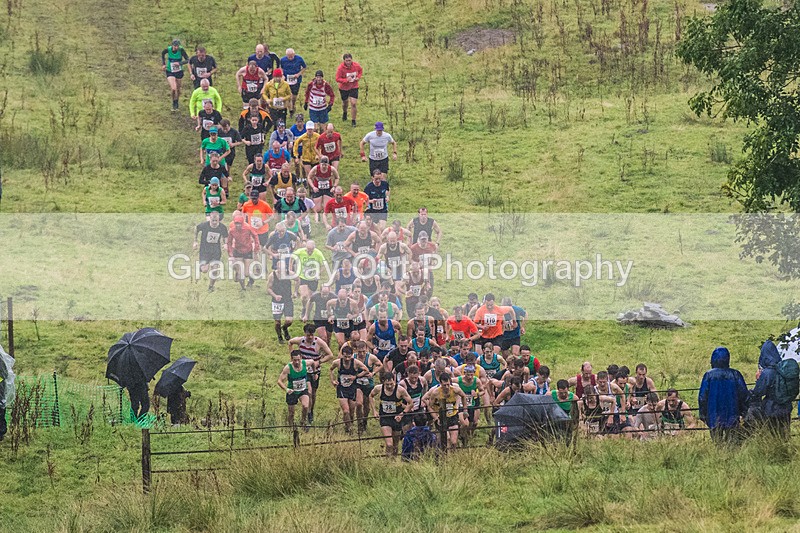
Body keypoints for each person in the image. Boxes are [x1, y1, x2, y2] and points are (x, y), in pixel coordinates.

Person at [748, 340, 799, 437]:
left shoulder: (768, 373)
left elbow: (758, 392)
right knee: (784, 436)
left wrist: (758, 380)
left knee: (772, 437)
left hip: (771, 410)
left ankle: (775, 451)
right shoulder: (783, 370)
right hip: (786, 409)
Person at [698, 346, 749, 444]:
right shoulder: (735, 374)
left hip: (713, 413)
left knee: (717, 442)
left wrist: (703, 413)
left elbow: (702, 396)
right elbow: (743, 394)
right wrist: (744, 411)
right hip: (732, 412)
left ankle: (719, 457)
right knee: (733, 442)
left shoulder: (708, 375)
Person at [288, 324, 334, 423]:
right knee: (308, 391)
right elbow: (290, 342)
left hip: (315, 370)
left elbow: (330, 355)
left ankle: (311, 410)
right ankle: (308, 413)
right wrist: (292, 356)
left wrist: (319, 362)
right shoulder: (301, 340)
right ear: (305, 334)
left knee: (313, 393)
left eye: (312, 335)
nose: (310, 337)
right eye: (308, 335)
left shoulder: (319, 342)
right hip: (303, 370)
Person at [371, 371, 413, 456]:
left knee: (395, 444)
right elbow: (371, 396)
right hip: (385, 417)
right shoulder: (378, 388)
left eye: (391, 384)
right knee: (389, 444)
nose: (389, 386)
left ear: (394, 381)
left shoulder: (400, 390)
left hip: (396, 418)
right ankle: (387, 462)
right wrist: (374, 411)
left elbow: (411, 403)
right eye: (387, 384)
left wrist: (402, 414)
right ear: (383, 382)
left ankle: (393, 462)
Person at [330, 345, 370, 433]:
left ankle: (349, 425)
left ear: (352, 355)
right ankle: (349, 429)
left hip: (352, 388)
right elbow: (331, 369)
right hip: (341, 388)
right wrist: (333, 380)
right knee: (346, 411)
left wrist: (356, 376)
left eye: (349, 357)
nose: (347, 359)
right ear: (342, 355)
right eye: (345, 357)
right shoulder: (338, 362)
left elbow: (366, 370)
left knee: (352, 411)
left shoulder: (355, 362)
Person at [423, 372, 467, 449]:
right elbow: (430, 406)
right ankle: (445, 457)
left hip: (452, 415)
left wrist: (465, 409)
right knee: (447, 440)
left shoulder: (455, 389)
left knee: (454, 441)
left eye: (448, 384)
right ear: (440, 383)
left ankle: (453, 456)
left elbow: (463, 396)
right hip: (441, 417)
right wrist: (436, 417)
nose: (447, 387)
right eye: (444, 385)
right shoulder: (435, 392)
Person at [277, 350, 316, 429]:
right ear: (291, 359)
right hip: (292, 391)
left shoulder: (305, 363)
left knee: (305, 406)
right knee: (291, 413)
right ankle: (290, 427)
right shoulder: (288, 368)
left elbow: (312, 362)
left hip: (303, 390)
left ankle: (303, 422)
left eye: (299, 360)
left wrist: (314, 373)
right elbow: (279, 381)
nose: (297, 362)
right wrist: (286, 389)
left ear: (301, 358)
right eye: (295, 360)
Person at [193, 211, 228, 292]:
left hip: (216, 251)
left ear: (219, 219)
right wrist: (195, 241)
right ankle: (201, 267)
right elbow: (196, 229)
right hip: (204, 250)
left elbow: (225, 236)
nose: (215, 222)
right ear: (210, 219)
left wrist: (226, 244)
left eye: (216, 220)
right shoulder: (205, 225)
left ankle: (211, 286)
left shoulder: (222, 227)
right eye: (213, 220)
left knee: (215, 269)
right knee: (205, 270)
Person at [290, 240, 327, 315]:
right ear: (305, 248)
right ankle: (304, 308)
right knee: (304, 296)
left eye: (311, 250)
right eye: (308, 250)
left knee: (310, 299)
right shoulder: (300, 251)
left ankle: (307, 313)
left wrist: (318, 273)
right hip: (302, 276)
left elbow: (324, 265)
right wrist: (290, 269)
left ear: (314, 248)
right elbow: (291, 257)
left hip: (313, 278)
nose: (309, 252)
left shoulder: (318, 253)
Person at [355, 340, 383, 433]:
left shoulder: (371, 357)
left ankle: (364, 421)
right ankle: (359, 425)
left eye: (363, 351)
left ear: (366, 350)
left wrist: (373, 373)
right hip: (357, 384)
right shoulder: (353, 357)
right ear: (356, 350)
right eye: (359, 352)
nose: (362, 354)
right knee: (359, 404)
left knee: (367, 407)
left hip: (368, 384)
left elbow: (380, 365)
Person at [226, 214, 259, 291]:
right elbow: (229, 242)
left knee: (246, 273)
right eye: (236, 223)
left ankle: (249, 277)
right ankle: (243, 287)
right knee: (241, 272)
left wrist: (256, 247)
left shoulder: (248, 228)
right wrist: (230, 252)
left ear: (242, 223)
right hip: (237, 250)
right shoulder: (232, 230)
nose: (238, 225)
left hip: (248, 250)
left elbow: (255, 235)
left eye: (239, 224)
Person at [336, 53, 363, 127]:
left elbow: (360, 71)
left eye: (349, 60)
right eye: (347, 61)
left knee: (353, 103)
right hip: (344, 88)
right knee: (345, 103)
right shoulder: (340, 68)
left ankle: (353, 121)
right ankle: (345, 112)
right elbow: (337, 79)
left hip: (354, 86)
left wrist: (358, 77)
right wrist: (346, 80)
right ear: (344, 60)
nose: (348, 62)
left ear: (352, 60)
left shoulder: (356, 65)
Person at [161, 39, 189, 111]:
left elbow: (188, 59)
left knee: (178, 89)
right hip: (170, 70)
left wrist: (180, 63)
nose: (176, 47)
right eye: (175, 46)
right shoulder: (168, 49)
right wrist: (164, 64)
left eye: (177, 46)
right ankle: (173, 102)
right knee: (173, 88)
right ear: (172, 45)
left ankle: (176, 102)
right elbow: (163, 53)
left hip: (179, 71)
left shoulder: (181, 50)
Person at [280, 48, 307, 113]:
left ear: (294, 54)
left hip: (296, 80)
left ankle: (293, 105)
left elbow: (304, 67)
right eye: (289, 56)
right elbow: (280, 68)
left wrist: (298, 74)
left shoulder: (299, 59)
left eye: (292, 56)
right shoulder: (283, 60)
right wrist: (282, 75)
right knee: (289, 96)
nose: (290, 58)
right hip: (287, 80)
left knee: (294, 96)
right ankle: (290, 110)